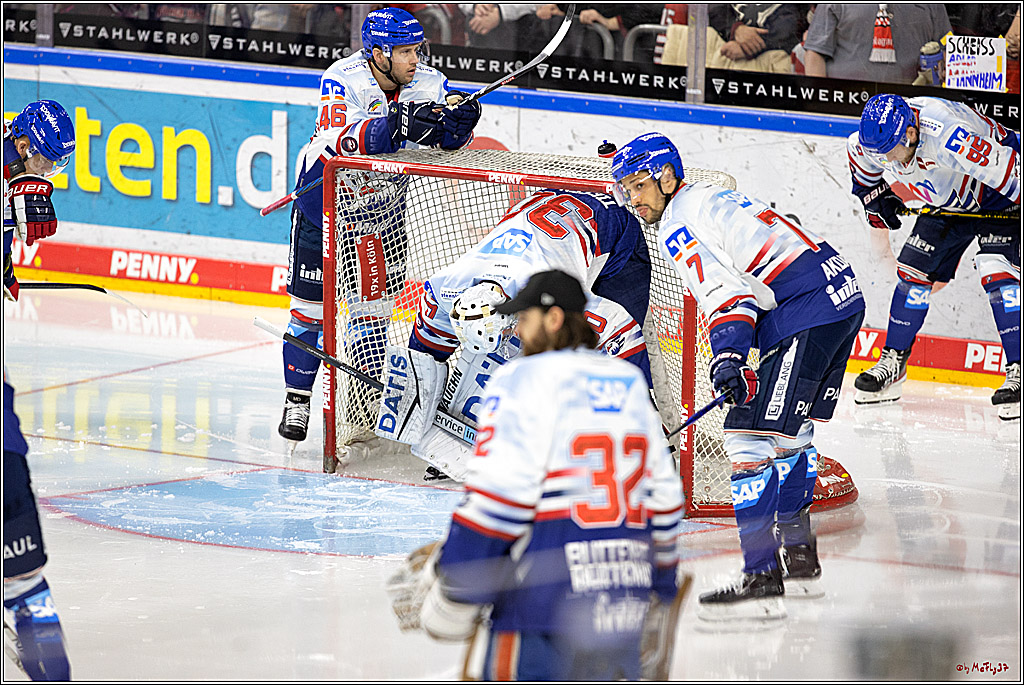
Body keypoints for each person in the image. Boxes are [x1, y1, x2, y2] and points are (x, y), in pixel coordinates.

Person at [611, 132, 866, 621]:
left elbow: (729, 296)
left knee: (746, 437)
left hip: (805, 308)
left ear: (666, 176)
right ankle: (800, 564)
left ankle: (761, 577)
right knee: (792, 436)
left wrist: (727, 358)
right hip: (840, 295)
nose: (633, 199)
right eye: (625, 190)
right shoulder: (708, 197)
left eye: (639, 185)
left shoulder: (678, 223)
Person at [415, 269, 684, 680]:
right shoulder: (626, 380)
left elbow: (499, 500)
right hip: (622, 601)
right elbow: (664, 500)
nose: (517, 330)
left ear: (554, 319)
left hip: (542, 606)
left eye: (524, 319)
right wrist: (660, 585)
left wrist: (457, 578)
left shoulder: (520, 379)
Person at [276, 6, 483, 448]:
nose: (415, 59)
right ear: (379, 53)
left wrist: (459, 125)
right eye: (405, 51)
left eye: (416, 49)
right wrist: (394, 125)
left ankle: (361, 406)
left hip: (380, 214)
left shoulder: (428, 81)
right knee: (310, 312)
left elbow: (448, 139)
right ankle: (297, 399)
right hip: (324, 204)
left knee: (373, 316)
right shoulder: (343, 77)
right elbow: (341, 142)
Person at [388, 186, 655, 481]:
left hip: (613, 236)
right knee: (514, 351)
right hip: (538, 211)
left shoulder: (554, 289)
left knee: (576, 355)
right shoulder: (444, 289)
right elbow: (422, 357)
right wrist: (414, 399)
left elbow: (624, 338)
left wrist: (636, 419)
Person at [847, 94, 1020, 420]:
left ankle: (1019, 371)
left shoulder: (949, 135)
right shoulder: (874, 142)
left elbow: (1014, 176)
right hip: (948, 202)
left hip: (998, 193)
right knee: (912, 274)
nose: (891, 162)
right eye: (882, 155)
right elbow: (863, 169)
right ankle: (894, 361)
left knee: (998, 275)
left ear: (911, 133)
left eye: (894, 152)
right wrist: (875, 200)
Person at [4, 100, 76, 681]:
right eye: (48, 159)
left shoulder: (19, 171)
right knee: (25, 582)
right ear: (26, 144)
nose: (52, 172)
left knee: (25, 576)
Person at [803, 4, 951, 83]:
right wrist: (822, 103)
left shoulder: (933, 5)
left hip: (913, 111)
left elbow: (948, 53)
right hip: (846, 104)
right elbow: (815, 54)